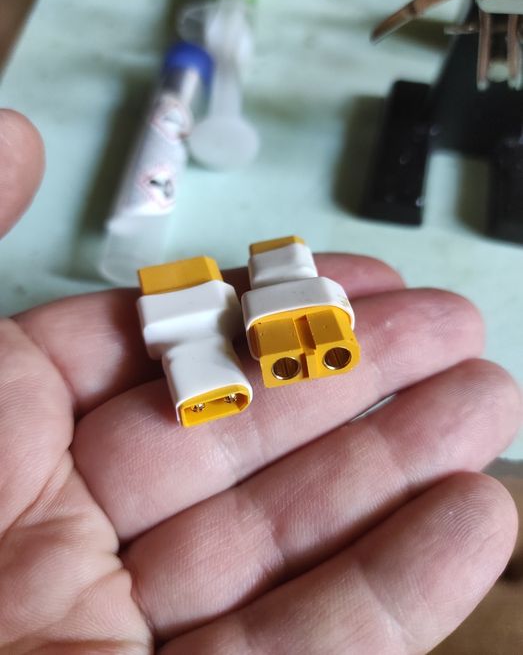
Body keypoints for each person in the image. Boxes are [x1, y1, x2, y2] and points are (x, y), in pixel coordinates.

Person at [0, 107, 521, 654]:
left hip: (243, 319)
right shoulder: (223, 317)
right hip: (222, 324)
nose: (304, 355)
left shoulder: (261, 299)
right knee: (218, 344)